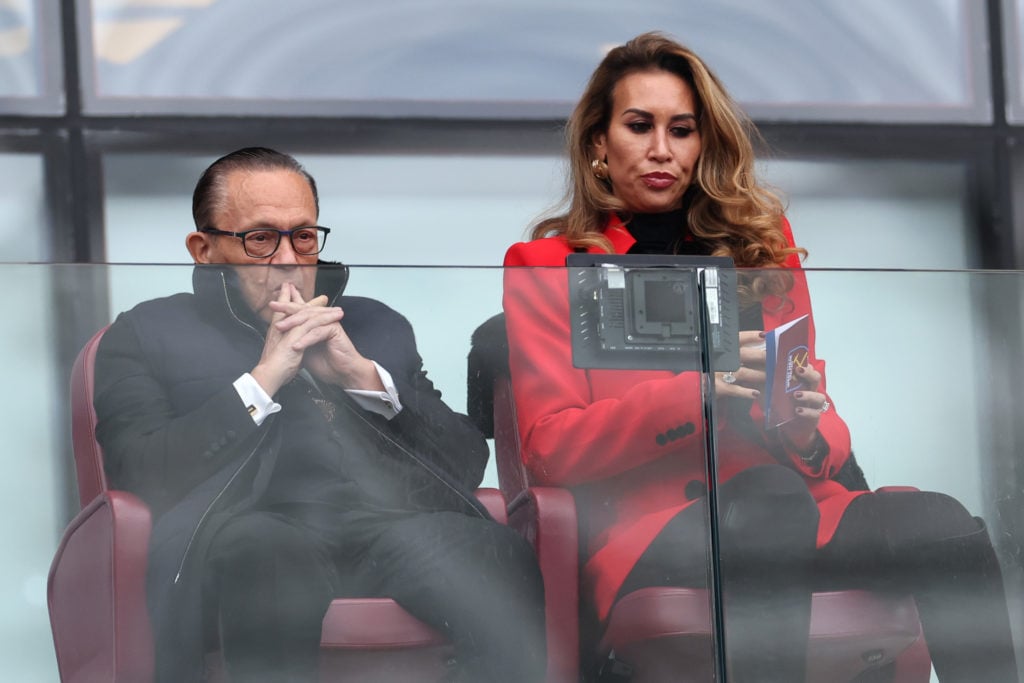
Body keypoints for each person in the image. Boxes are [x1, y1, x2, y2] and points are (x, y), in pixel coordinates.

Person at [502, 32, 1018, 682]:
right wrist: (698, 397)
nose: (662, 148)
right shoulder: (546, 266)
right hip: (654, 533)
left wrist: (803, 422)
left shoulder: (761, 250)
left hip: (798, 508)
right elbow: (549, 448)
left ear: (704, 142)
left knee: (937, 519)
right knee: (770, 497)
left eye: (682, 129)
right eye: (640, 126)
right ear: (599, 146)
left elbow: (824, 429)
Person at [93, 147, 547, 683]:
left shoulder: (375, 324)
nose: (288, 259)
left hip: (389, 528)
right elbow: (137, 469)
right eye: (261, 239)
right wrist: (263, 380)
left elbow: (467, 461)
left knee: (490, 549)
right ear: (205, 248)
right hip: (257, 530)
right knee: (266, 549)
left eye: (302, 236)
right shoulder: (149, 331)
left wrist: (361, 377)